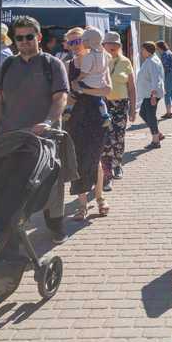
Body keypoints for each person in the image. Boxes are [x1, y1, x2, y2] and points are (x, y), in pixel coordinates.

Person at [0, 15, 71, 244]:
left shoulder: (52, 64)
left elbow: (61, 97)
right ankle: (13, 228)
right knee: (12, 182)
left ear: (39, 37)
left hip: (45, 136)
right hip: (12, 135)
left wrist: (49, 121)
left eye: (29, 37)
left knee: (51, 183)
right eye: (19, 38)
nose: (24, 41)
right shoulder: (8, 65)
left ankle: (56, 225)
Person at [62, 27, 113, 220]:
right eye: (71, 42)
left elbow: (107, 90)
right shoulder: (68, 65)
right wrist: (70, 100)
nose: (75, 46)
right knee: (77, 159)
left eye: (78, 41)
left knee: (95, 158)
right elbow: (64, 93)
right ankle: (82, 204)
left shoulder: (101, 60)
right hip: (75, 116)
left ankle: (99, 197)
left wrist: (82, 91)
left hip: (95, 116)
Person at [100, 31, 136, 191]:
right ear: (104, 45)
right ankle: (107, 174)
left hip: (121, 105)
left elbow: (132, 87)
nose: (113, 46)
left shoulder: (125, 61)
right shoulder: (99, 60)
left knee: (119, 136)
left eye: (116, 44)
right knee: (106, 138)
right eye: (110, 44)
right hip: (103, 104)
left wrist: (133, 109)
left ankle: (117, 164)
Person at [72, 27, 111, 128]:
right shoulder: (105, 55)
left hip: (89, 83)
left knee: (74, 90)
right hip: (100, 83)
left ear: (90, 41)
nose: (81, 43)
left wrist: (77, 81)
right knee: (98, 99)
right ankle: (105, 115)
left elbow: (84, 73)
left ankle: (69, 108)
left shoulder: (89, 56)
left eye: (83, 40)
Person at [134, 42, 165, 149]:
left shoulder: (152, 61)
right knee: (143, 113)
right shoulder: (150, 59)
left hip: (151, 94)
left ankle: (156, 140)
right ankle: (157, 133)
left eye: (142, 50)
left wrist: (153, 95)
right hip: (148, 93)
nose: (141, 52)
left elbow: (156, 79)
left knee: (151, 115)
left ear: (147, 50)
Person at [157, 41, 172, 119]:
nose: (157, 50)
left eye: (157, 48)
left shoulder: (164, 54)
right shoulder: (169, 52)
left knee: (167, 93)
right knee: (171, 93)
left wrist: (161, 77)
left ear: (160, 47)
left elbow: (165, 67)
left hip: (170, 74)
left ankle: (168, 113)